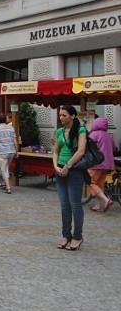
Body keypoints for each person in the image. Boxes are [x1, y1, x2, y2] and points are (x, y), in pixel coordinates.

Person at [52, 105, 87, 251]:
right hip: (60, 169)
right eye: (60, 115)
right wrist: (55, 166)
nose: (61, 118)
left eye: (64, 115)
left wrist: (68, 166)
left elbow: (80, 151)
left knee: (75, 204)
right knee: (64, 204)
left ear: (72, 116)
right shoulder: (58, 131)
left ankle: (77, 236)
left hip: (74, 170)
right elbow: (55, 151)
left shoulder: (80, 130)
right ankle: (66, 235)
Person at [86, 117, 115, 213]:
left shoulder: (93, 134)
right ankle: (97, 206)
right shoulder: (109, 135)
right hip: (107, 165)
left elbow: (88, 148)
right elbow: (114, 148)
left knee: (91, 182)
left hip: (96, 164)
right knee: (99, 185)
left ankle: (107, 200)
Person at [0, 113, 19, 194]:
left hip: (2, 151)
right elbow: (15, 141)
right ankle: (3, 183)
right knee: (6, 167)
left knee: (4, 169)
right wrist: (17, 151)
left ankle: (8, 188)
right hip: (11, 151)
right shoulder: (11, 128)